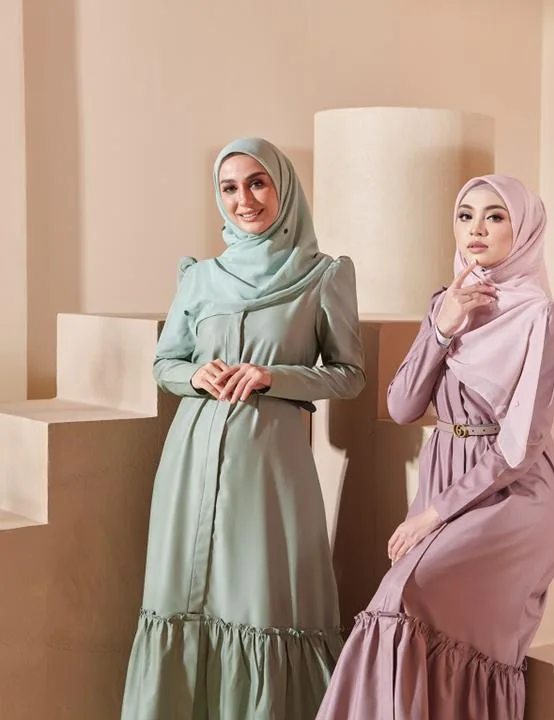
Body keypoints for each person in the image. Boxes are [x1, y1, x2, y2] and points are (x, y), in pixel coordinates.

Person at [121, 137, 366, 719]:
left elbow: (349, 375)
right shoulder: (199, 277)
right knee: (183, 598)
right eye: (229, 188)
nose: (244, 199)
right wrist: (194, 374)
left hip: (269, 467)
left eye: (258, 182)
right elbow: (165, 363)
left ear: (284, 188)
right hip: (190, 460)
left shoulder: (322, 275)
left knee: (263, 604)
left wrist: (272, 376)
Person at [317, 174, 554, 719]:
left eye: (495, 216)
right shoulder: (447, 302)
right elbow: (403, 405)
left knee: (411, 591)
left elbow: (521, 444)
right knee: (400, 597)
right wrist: (442, 328)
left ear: (524, 229)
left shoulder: (546, 316)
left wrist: (433, 514)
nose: (476, 228)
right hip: (445, 473)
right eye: (465, 215)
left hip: (511, 495)